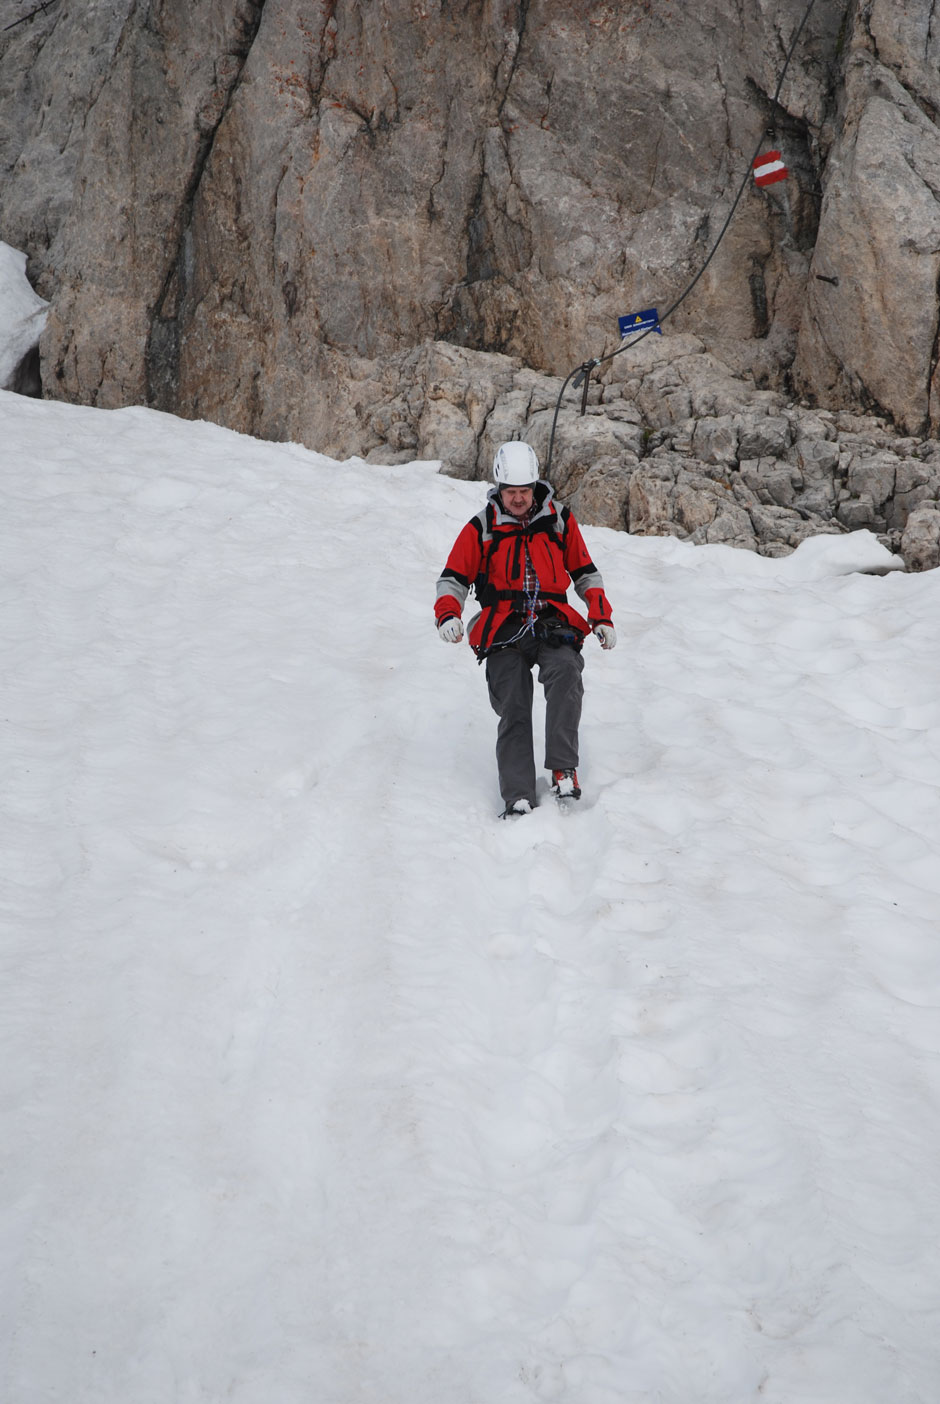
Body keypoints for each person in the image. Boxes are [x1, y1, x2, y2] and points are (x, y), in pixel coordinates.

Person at [435, 440, 616, 816]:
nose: (518, 499)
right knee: (514, 702)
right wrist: (448, 614)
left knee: (566, 672)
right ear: (499, 490)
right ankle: (518, 794)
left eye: (524, 491)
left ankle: (564, 769)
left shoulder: (560, 520)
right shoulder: (481, 527)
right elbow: (452, 578)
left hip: (552, 622)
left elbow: (585, 573)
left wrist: (600, 616)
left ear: (536, 486)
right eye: (511, 492)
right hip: (503, 630)